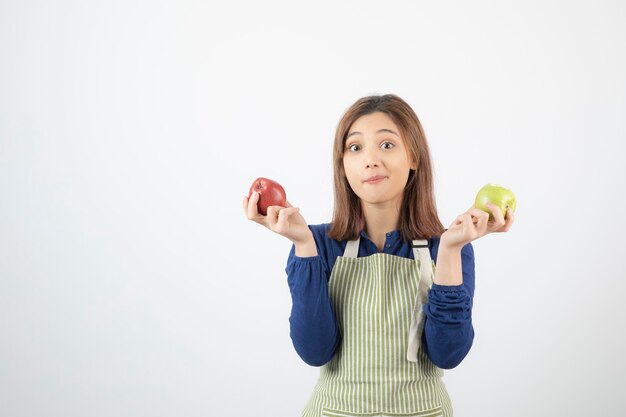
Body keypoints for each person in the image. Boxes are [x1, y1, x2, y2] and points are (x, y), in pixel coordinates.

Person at [243, 94, 514, 417]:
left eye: (386, 145)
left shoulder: (446, 246)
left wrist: (452, 249)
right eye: (355, 148)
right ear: (343, 166)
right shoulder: (317, 243)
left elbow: (448, 354)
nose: (370, 159)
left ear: (414, 157)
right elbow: (315, 351)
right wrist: (303, 246)